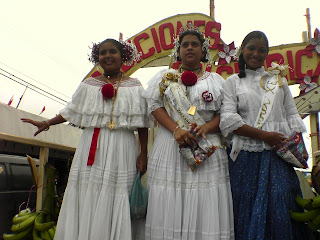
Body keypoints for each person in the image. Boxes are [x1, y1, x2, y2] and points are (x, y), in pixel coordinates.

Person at [22, 38, 149, 240]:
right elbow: (72, 111)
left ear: (122, 55)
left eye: (112, 51)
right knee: (89, 189)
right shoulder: (89, 85)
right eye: (102, 52)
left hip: (123, 145)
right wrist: (48, 123)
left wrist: (143, 152)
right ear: (97, 58)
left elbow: (143, 122)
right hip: (92, 144)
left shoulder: (135, 87)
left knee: (118, 191)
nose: (107, 56)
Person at [144, 23, 234, 240]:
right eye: (185, 45)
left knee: (206, 197)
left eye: (195, 44)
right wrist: (175, 129)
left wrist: (206, 126)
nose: (190, 48)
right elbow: (154, 106)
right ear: (179, 50)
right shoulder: (164, 78)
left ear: (203, 50)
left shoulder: (216, 81)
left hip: (207, 146)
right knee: (171, 198)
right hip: (171, 145)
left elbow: (227, 112)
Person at [220, 31, 312, 239]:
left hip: (279, 155)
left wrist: (300, 147)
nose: (256, 53)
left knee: (281, 202)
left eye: (262, 50)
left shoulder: (278, 81)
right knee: (247, 204)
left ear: (267, 54)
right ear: (242, 50)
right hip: (246, 157)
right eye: (251, 48)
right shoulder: (232, 82)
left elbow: (292, 115)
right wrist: (264, 135)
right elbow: (228, 120)